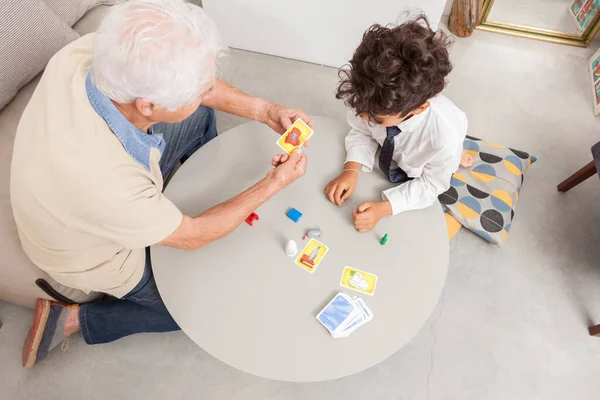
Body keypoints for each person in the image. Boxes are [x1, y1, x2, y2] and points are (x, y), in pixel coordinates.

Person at [12, 0, 311, 368]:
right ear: (148, 106)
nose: (207, 91)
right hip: (92, 248)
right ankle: (74, 319)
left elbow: (199, 93)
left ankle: (197, 196)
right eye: (199, 88)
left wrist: (264, 110)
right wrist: (273, 183)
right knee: (191, 308)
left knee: (199, 117)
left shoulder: (99, 52)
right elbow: (195, 235)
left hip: (95, 189)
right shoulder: (106, 185)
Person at [324, 15, 470, 233]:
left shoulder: (443, 138)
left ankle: (457, 156)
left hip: (438, 146)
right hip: (409, 137)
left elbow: (430, 186)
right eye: (361, 108)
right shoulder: (370, 97)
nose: (363, 116)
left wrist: (384, 208)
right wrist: (352, 169)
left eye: (376, 118)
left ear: (417, 109)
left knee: (444, 158)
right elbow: (361, 131)